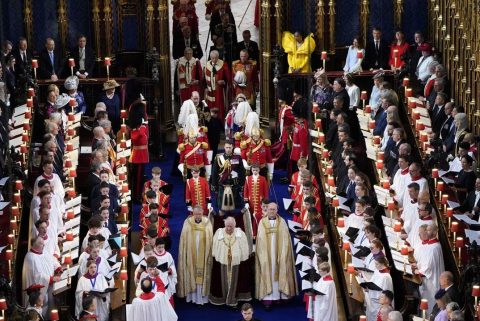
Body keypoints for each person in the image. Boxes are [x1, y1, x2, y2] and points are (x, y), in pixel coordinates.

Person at [255, 202, 297, 309]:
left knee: (280, 269)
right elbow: (260, 239)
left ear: (277, 210)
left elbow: (285, 239)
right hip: (267, 254)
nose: (272, 211)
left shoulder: (282, 222)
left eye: (274, 209)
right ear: (267, 210)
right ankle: (268, 299)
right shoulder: (262, 222)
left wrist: (283, 253)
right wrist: (263, 254)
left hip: (279, 253)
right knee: (267, 271)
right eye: (270, 209)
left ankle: (279, 295)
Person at [210, 217, 252, 306]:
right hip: (222, 264)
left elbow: (245, 250)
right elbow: (214, 248)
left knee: (237, 281)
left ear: (234, 226)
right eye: (227, 226)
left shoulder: (240, 234)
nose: (229, 228)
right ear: (224, 225)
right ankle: (223, 299)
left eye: (231, 227)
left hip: (236, 264)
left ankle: (233, 298)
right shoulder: (219, 233)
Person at [177, 205, 213, 305]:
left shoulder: (207, 222)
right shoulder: (188, 222)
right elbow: (183, 238)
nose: (198, 216)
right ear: (192, 213)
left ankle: (202, 299)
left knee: (202, 272)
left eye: (200, 214)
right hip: (191, 251)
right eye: (196, 214)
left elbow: (210, 237)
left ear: (203, 213)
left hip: (203, 251)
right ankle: (192, 297)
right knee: (191, 271)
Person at [22, 236, 62, 316]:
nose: (43, 245)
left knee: (48, 304)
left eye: (43, 244)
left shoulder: (44, 251)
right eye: (41, 244)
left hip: (48, 285)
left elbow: (52, 259)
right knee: (41, 304)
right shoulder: (30, 257)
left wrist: (58, 267)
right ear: (34, 245)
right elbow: (37, 276)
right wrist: (51, 278)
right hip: (38, 291)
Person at [211, 140, 246, 216]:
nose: (228, 149)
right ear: (224, 147)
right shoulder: (219, 157)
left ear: (232, 147)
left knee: (233, 208)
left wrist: (242, 184)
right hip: (222, 184)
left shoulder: (237, 157)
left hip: (234, 184)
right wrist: (214, 185)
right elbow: (214, 172)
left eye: (230, 147)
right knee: (221, 210)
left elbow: (242, 172)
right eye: (227, 147)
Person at [129, 101, 149, 202]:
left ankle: (138, 194)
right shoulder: (135, 129)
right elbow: (135, 138)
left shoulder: (141, 126)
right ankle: (136, 197)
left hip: (143, 154)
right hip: (138, 156)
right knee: (138, 178)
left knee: (140, 177)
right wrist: (141, 127)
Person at [204, 50, 230, 121]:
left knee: (220, 107)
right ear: (210, 57)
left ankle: (220, 124)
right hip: (210, 92)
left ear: (218, 57)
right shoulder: (207, 65)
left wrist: (224, 82)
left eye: (216, 58)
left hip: (219, 92)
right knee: (210, 108)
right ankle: (210, 124)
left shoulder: (223, 64)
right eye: (212, 58)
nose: (214, 59)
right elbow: (204, 79)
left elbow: (228, 79)